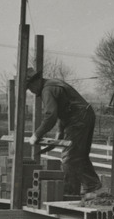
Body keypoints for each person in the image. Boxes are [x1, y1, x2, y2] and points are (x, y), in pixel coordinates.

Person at [26, 68, 101, 198]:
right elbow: (65, 108)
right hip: (84, 115)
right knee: (79, 155)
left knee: (69, 157)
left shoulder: (47, 90)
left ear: (35, 82)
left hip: (79, 118)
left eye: (29, 87)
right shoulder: (52, 84)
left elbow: (51, 115)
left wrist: (36, 134)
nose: (31, 91)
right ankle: (92, 186)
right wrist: (60, 131)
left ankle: (70, 195)